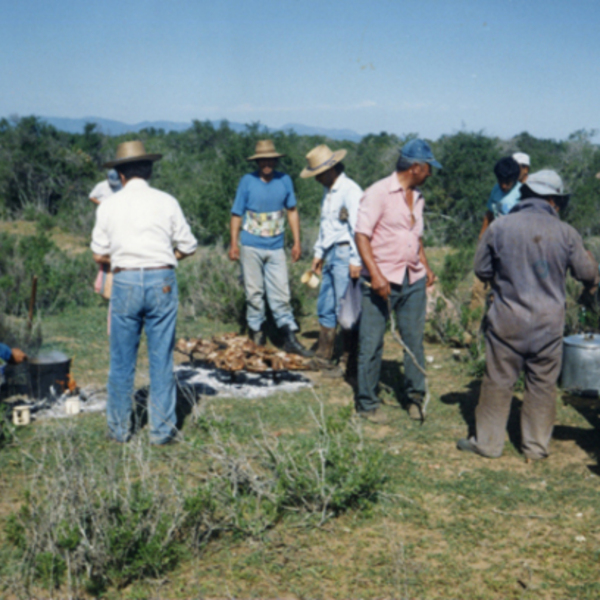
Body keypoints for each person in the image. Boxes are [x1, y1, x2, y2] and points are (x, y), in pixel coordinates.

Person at [458, 170, 599, 460]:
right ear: (553, 201)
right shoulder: (567, 233)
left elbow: (481, 270)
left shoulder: (500, 227)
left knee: (498, 380)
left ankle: (488, 444)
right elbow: (586, 273)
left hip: (506, 320)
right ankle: (535, 448)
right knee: (543, 384)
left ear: (525, 195)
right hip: (548, 324)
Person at [91, 141, 197, 444]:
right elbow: (188, 245)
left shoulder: (109, 205)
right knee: (161, 358)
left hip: (125, 281)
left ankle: (118, 429)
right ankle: (162, 431)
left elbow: (99, 253)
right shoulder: (166, 201)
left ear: (120, 174)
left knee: (121, 360)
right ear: (148, 170)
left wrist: (127, 258)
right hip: (161, 279)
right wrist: (162, 259)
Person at [354, 139, 440, 422]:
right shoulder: (377, 193)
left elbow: (415, 238)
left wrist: (425, 267)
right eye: (428, 168)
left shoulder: (418, 197)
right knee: (371, 341)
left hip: (411, 278)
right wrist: (377, 276)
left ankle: (415, 397)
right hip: (380, 281)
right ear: (415, 167)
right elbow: (362, 236)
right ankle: (367, 402)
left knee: (414, 340)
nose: (430, 174)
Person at [229, 139, 312, 357]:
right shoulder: (247, 181)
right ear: (257, 162)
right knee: (254, 293)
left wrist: (297, 242)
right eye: (262, 160)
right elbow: (237, 213)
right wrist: (233, 244)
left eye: (270, 159)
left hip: (276, 246)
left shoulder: (284, 181)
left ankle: (289, 337)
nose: (267, 163)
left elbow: (292, 210)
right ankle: (257, 335)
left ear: (275, 160)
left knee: (281, 293)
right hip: (250, 246)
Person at [299, 144, 363, 377]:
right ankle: (324, 355)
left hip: (346, 252)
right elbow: (326, 227)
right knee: (326, 304)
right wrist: (318, 254)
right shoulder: (329, 191)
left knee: (345, 308)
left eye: (319, 174)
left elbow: (358, 227)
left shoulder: (350, 190)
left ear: (331, 169)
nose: (317, 179)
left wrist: (356, 260)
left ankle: (348, 361)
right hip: (331, 253)